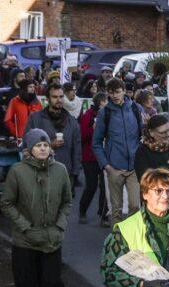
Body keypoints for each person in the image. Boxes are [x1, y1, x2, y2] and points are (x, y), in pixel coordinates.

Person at [0, 129, 72, 287]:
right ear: (29, 148)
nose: (43, 148)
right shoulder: (17, 171)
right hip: (26, 242)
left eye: (45, 145)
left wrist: (60, 225)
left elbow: (67, 202)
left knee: (53, 285)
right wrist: (24, 226)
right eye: (38, 145)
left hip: (52, 239)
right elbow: (7, 203)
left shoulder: (60, 170)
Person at [93, 78, 143, 225]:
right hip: (114, 167)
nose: (114, 95)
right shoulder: (104, 113)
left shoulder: (135, 108)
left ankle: (133, 239)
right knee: (116, 210)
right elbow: (96, 143)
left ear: (123, 91)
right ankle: (117, 242)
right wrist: (106, 166)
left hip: (134, 167)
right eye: (111, 92)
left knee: (135, 205)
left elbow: (142, 136)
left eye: (117, 92)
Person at [26, 84, 82, 186]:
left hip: (65, 172)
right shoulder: (35, 119)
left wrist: (75, 174)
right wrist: (49, 145)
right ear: (47, 99)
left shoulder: (72, 121)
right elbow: (27, 145)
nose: (59, 100)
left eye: (61, 97)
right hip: (40, 172)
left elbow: (77, 149)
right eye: (55, 97)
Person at [79, 92, 109, 226]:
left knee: (105, 187)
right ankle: (82, 210)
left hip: (105, 157)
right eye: (104, 103)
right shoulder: (88, 116)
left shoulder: (110, 116)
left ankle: (103, 216)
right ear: (98, 104)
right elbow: (82, 136)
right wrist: (93, 129)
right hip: (90, 157)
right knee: (91, 186)